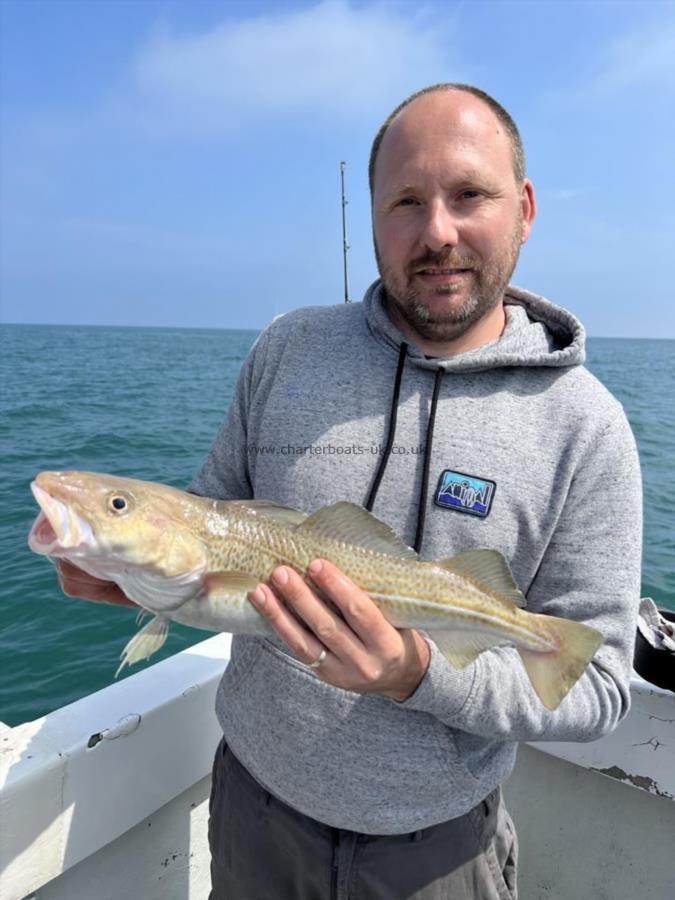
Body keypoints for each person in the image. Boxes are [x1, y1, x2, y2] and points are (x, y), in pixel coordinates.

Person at [58, 84, 643, 899]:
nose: (437, 231)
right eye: (405, 201)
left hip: (437, 852)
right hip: (253, 815)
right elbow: (214, 520)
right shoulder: (287, 349)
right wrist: (140, 579)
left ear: (525, 207)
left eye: (468, 194)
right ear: (370, 215)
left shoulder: (588, 428)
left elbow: (600, 687)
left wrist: (417, 672)